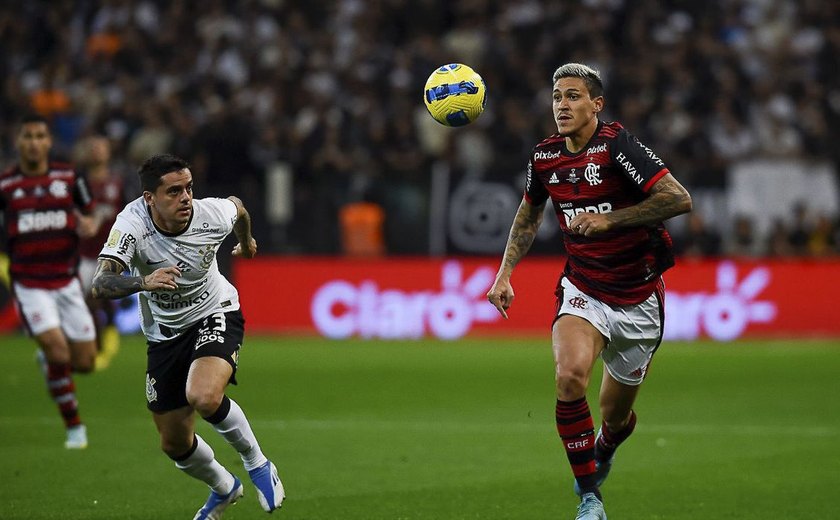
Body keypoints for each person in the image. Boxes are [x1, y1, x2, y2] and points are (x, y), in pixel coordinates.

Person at [486, 64, 692, 520]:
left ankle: (606, 445)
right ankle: (589, 497)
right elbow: (527, 215)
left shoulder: (618, 146)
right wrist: (504, 274)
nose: (562, 105)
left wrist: (610, 219)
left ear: (596, 104)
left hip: (639, 298)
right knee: (569, 377)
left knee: (615, 419)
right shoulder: (544, 158)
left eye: (574, 96)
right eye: (557, 96)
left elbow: (679, 199)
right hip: (583, 288)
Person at [90, 154, 284, 518]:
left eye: (189, 188)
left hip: (215, 311)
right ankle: (224, 488)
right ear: (150, 198)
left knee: (204, 395)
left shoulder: (210, 214)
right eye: (174, 191)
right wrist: (143, 281)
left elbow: (238, 209)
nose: (186, 198)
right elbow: (101, 283)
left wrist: (247, 241)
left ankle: (258, 464)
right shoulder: (131, 225)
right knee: (174, 441)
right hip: (164, 334)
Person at [0, 114, 103, 449]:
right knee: (60, 353)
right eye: (27, 136)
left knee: (86, 363)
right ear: (19, 143)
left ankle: (48, 359)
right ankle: (74, 427)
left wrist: (89, 223)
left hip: (66, 282)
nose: (33, 142)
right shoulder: (6, 186)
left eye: (39, 136)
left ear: (48, 142)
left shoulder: (69, 177)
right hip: (30, 285)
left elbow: (91, 211)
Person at [76, 135, 126, 369]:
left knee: (94, 300)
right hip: (82, 255)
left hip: (109, 254)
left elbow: (128, 215)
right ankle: (97, 343)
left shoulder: (117, 183)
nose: (96, 152)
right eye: (93, 147)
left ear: (108, 152)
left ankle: (98, 348)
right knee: (84, 304)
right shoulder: (79, 184)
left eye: (101, 147)